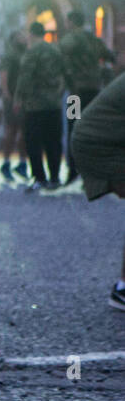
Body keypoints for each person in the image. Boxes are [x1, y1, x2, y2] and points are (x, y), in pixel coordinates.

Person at [68, 71, 125, 310]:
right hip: (94, 134)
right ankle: (123, 287)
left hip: (85, 105)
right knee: (72, 115)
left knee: (72, 116)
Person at [60, 9, 115, 186]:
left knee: (73, 129)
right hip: (93, 91)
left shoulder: (72, 39)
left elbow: (60, 50)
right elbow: (110, 56)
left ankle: (73, 170)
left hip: (75, 93)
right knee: (92, 130)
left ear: (72, 23)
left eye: (67, 23)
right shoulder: (94, 39)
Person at [14, 20, 68, 191]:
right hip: (54, 103)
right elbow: (64, 72)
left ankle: (39, 177)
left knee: (33, 141)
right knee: (53, 140)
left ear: (31, 34)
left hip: (35, 104)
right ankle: (55, 177)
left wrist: (18, 98)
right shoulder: (55, 50)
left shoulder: (32, 52)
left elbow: (25, 77)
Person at [0, 31, 29, 182]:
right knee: (12, 129)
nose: (24, 38)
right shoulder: (10, 55)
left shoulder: (26, 54)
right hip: (12, 97)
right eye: (21, 37)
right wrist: (6, 93)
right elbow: (4, 74)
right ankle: (6, 163)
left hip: (25, 99)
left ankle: (22, 163)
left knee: (24, 130)